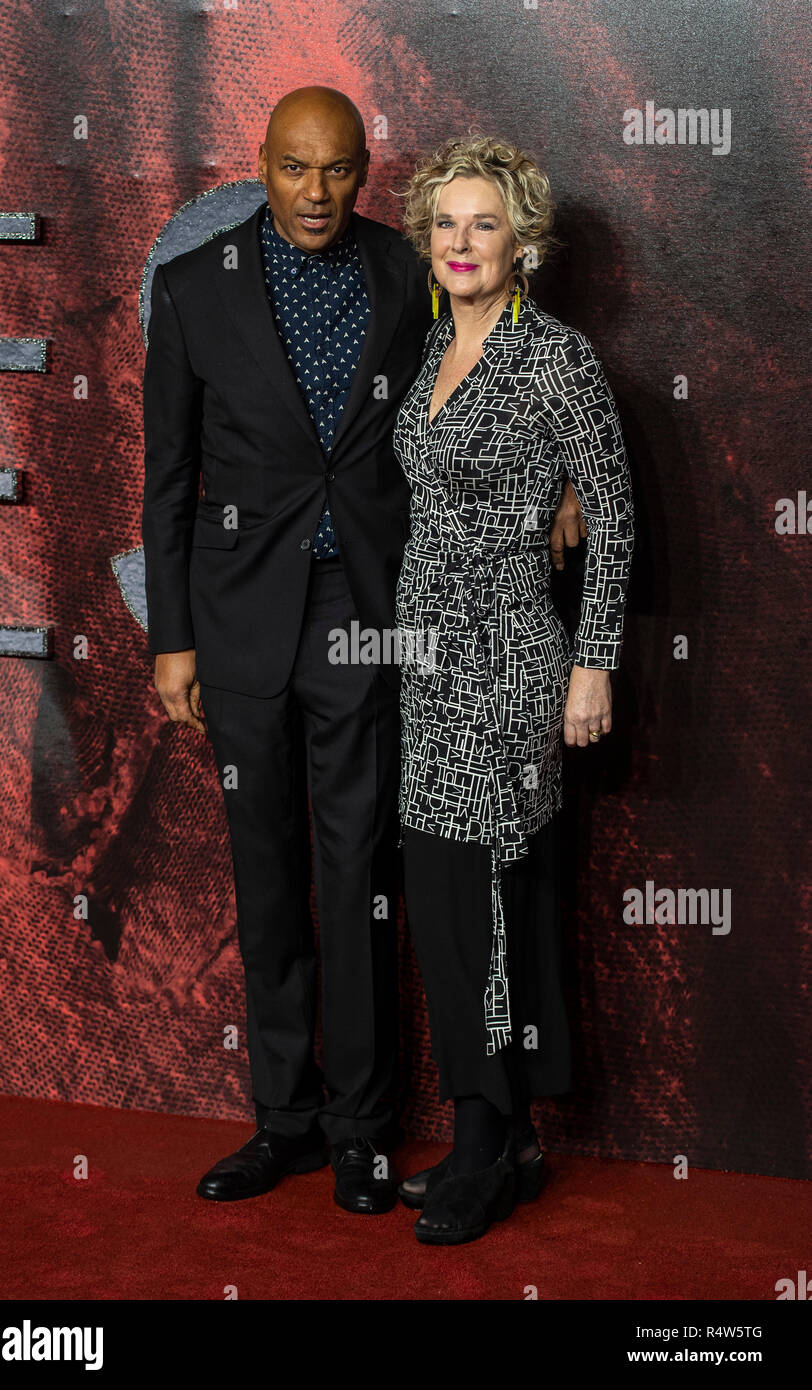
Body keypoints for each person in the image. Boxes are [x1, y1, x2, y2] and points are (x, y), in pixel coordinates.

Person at [142, 89, 584, 1216]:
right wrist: (173, 641)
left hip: (372, 613)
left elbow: (503, 353)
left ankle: (362, 1131)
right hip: (237, 618)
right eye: (295, 168)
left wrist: (566, 475)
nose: (316, 192)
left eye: (338, 170)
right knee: (266, 876)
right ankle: (282, 1121)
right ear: (262, 167)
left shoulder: (407, 271)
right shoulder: (194, 291)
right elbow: (167, 480)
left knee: (360, 875)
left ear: (364, 172)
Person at [392, 134, 635, 1245]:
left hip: (506, 661)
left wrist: (591, 663)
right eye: (444, 222)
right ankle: (511, 1136)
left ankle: (484, 1143)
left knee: (485, 893)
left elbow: (613, 514)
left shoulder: (555, 359)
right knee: (447, 895)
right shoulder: (430, 344)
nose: (459, 241)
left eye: (481, 223)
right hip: (424, 661)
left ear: (523, 241)